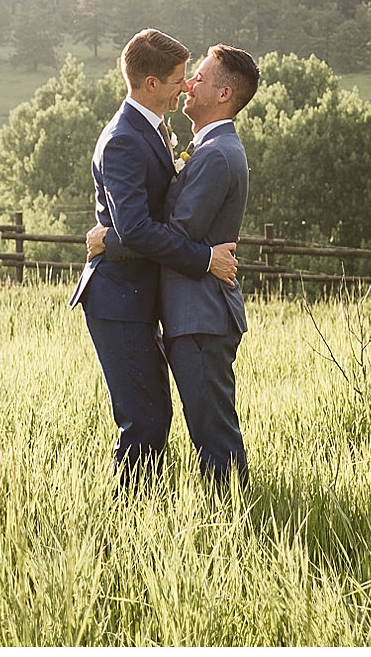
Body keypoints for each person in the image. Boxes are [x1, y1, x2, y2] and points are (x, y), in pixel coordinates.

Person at [69, 29, 239, 485]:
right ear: (149, 84)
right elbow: (137, 228)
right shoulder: (124, 138)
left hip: (138, 294)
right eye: (177, 80)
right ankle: (129, 521)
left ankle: (143, 515)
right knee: (143, 420)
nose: (185, 87)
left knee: (154, 414)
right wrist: (205, 259)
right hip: (118, 298)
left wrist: (108, 236)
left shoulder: (153, 129)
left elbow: (139, 222)